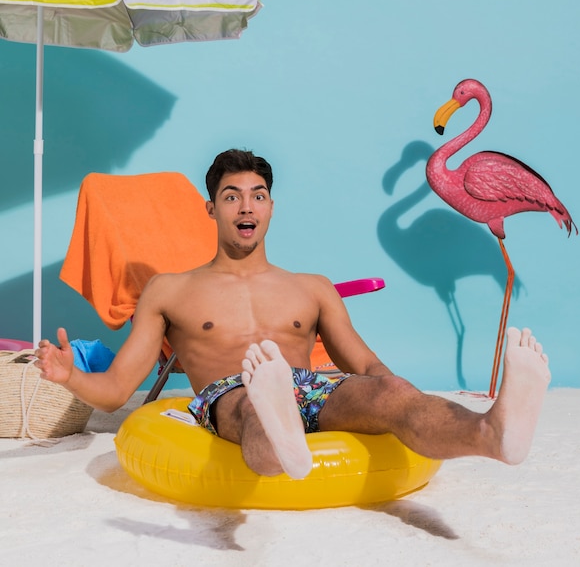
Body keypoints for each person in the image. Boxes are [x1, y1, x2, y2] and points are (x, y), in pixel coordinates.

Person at [35, 149, 551, 480]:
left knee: (390, 393)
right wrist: (70, 376)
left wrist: (395, 403)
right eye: (231, 196)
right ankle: (282, 436)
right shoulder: (169, 290)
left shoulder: (312, 288)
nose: (246, 208)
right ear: (210, 210)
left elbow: (370, 368)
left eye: (257, 196)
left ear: (271, 208)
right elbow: (120, 387)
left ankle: (492, 433)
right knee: (257, 401)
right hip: (230, 394)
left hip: (310, 386)